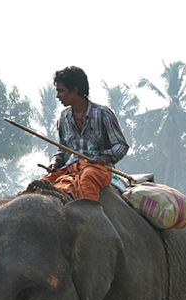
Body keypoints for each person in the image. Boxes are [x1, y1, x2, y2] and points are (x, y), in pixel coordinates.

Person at [41, 66, 129, 201]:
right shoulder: (63, 118)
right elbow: (63, 150)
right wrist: (55, 162)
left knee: (87, 178)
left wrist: (104, 158)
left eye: (61, 91)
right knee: (42, 185)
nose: (58, 96)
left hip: (97, 169)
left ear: (75, 90)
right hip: (71, 168)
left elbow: (121, 145)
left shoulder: (103, 113)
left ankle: (90, 216)